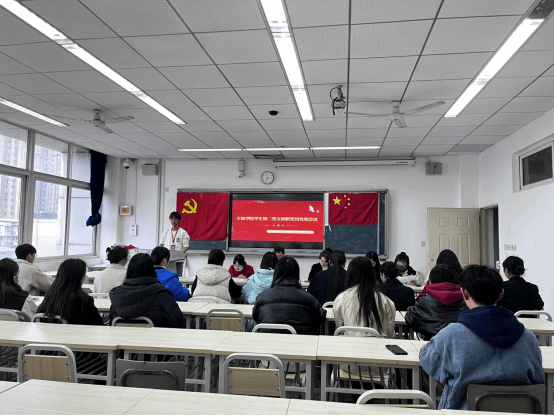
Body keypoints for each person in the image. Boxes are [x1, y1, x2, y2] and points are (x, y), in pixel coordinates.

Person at [420, 265, 544, 410]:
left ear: (464, 293)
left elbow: (428, 362)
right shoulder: (529, 339)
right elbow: (538, 380)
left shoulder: (450, 335)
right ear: (500, 294)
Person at [253, 256, 327, 335]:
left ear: (276, 273)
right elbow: (320, 317)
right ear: (297, 274)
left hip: (268, 341)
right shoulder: (308, 299)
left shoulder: (262, 297)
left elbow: (256, 317)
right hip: (301, 341)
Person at [109, 253, 184, 328]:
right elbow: (179, 323)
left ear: (129, 270)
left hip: (122, 335)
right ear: (152, 270)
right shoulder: (161, 295)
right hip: (155, 335)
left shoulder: (117, 298)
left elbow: (111, 325)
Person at [333, 257, 396, 337]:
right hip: (377, 344)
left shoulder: (341, 298)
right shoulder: (386, 301)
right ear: (372, 274)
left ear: (350, 274)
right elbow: (390, 333)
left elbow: (339, 330)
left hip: (349, 343)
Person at [405, 264, 468, 340]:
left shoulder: (424, 302)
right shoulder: (466, 301)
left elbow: (411, 317)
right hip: (459, 343)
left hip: (430, 342)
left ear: (431, 281)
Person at [38, 259, 103, 325]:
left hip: (50, 332)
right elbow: (99, 325)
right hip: (77, 331)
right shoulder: (85, 300)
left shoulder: (50, 296)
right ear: (80, 278)